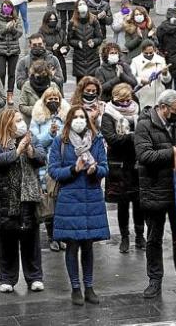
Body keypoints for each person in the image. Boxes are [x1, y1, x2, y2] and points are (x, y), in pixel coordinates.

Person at [135, 89, 176, 298]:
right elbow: (144, 155)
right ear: (163, 107)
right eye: (175, 110)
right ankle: (155, 280)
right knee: (154, 238)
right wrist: (173, 152)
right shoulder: (144, 124)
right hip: (155, 189)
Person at [48, 105, 109, 305]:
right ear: (69, 120)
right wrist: (74, 169)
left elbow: (105, 167)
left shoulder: (97, 139)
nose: (80, 120)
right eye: (76, 117)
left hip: (91, 197)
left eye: (83, 116)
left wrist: (95, 170)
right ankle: (75, 287)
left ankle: (89, 287)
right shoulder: (61, 142)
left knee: (88, 245)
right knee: (72, 245)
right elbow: (54, 171)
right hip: (69, 199)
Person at [0, 109, 46, 294]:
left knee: (31, 241)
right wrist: (17, 151)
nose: (21, 124)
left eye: (21, 120)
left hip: (28, 200)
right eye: (17, 121)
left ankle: (34, 277)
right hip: (5, 202)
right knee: (6, 243)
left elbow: (42, 158)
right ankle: (7, 278)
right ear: (7, 124)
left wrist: (30, 151)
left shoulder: (31, 138)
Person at [101, 83, 144, 253]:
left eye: (128, 99)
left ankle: (140, 235)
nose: (126, 103)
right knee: (122, 203)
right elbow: (111, 138)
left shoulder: (137, 111)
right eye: (123, 100)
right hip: (118, 164)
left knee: (139, 202)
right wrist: (131, 137)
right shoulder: (108, 115)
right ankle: (125, 237)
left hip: (136, 162)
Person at [30, 87, 71, 252]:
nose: (53, 101)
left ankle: (62, 235)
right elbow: (35, 141)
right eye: (50, 98)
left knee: (62, 202)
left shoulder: (65, 117)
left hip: (64, 164)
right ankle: (51, 236)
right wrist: (50, 134)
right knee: (49, 201)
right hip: (45, 165)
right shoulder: (38, 119)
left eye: (56, 98)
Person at [0, 0, 23, 99]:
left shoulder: (17, 19)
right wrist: (6, 29)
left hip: (14, 50)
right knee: (1, 73)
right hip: (1, 50)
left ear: (12, 8)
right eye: (4, 6)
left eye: (8, 6)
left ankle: (10, 93)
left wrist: (12, 29)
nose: (6, 8)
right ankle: (1, 93)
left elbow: (19, 34)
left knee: (11, 73)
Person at [69, 0, 104, 84]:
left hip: (92, 58)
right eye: (80, 4)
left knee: (93, 83)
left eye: (83, 4)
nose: (82, 6)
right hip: (79, 59)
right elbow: (69, 39)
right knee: (81, 85)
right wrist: (77, 43)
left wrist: (94, 42)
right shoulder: (72, 22)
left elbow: (99, 37)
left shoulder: (94, 20)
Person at [130, 40, 172, 109]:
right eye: (146, 53)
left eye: (151, 53)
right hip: (143, 94)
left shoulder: (160, 59)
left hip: (158, 94)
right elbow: (131, 77)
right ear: (142, 51)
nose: (149, 55)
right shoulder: (135, 60)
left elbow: (167, 80)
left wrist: (165, 74)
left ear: (154, 50)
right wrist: (140, 80)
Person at [39, 11, 70, 80]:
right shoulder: (41, 32)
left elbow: (66, 44)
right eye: (50, 19)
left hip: (60, 60)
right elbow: (40, 47)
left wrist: (65, 49)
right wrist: (51, 48)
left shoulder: (60, 31)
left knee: (60, 82)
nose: (52, 21)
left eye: (54, 19)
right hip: (47, 60)